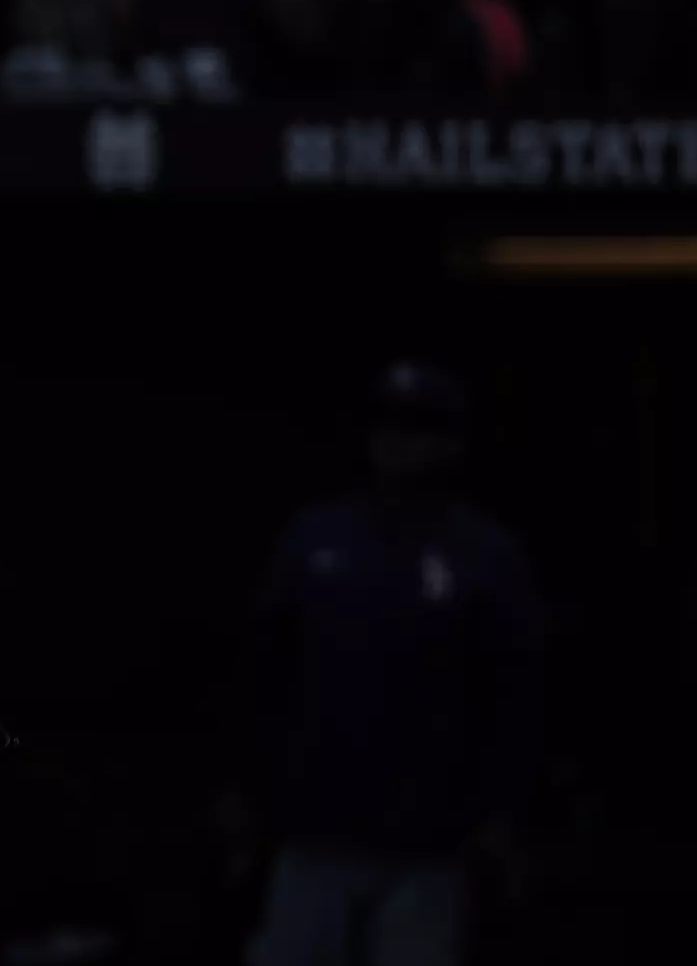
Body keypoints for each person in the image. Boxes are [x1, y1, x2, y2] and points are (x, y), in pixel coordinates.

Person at [230, 361, 545, 966]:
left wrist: (503, 814)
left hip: (429, 839)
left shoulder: (484, 556)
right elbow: (261, 672)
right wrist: (244, 790)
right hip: (315, 825)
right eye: (387, 424)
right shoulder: (313, 540)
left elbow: (515, 696)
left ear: (451, 443)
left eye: (418, 427)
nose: (398, 441)